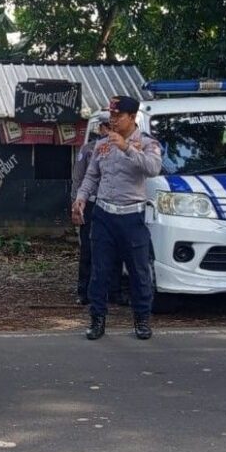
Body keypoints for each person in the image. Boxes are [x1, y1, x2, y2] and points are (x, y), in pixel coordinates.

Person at [72, 95, 162, 340]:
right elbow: (91, 175)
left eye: (118, 116)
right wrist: (81, 197)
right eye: (110, 116)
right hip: (103, 214)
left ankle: (142, 319)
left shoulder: (146, 143)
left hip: (131, 216)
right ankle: (97, 319)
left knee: (139, 271)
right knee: (99, 270)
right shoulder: (102, 144)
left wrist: (127, 147)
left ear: (132, 117)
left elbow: (153, 168)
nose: (113, 120)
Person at [71, 113, 123, 306]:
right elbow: (78, 177)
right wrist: (76, 203)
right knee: (88, 249)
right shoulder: (88, 149)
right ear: (100, 128)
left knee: (116, 249)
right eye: (107, 127)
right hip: (91, 203)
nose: (110, 130)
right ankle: (83, 291)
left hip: (115, 204)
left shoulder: (124, 148)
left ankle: (114, 291)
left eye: (113, 127)